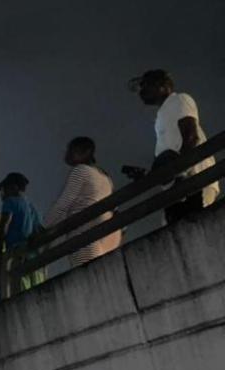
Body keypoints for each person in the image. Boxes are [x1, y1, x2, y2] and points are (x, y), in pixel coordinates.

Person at [131, 69, 219, 222]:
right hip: (178, 185)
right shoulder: (162, 116)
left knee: (193, 232)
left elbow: (191, 136)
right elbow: (166, 157)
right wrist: (149, 175)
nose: (141, 91)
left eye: (146, 85)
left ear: (162, 86)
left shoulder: (178, 100)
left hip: (194, 180)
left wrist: (180, 171)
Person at [43, 137, 121, 267]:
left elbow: (63, 204)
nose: (67, 153)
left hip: (86, 237)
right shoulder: (105, 177)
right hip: (108, 238)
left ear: (86, 152)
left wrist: (43, 227)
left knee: (87, 276)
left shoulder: (81, 170)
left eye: (72, 150)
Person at [0, 172, 46, 300]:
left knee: (17, 297)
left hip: (16, 256)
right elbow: (40, 230)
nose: (1, 194)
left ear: (14, 188)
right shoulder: (32, 207)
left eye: (3, 189)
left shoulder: (10, 202)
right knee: (37, 296)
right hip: (34, 257)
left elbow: (3, 228)